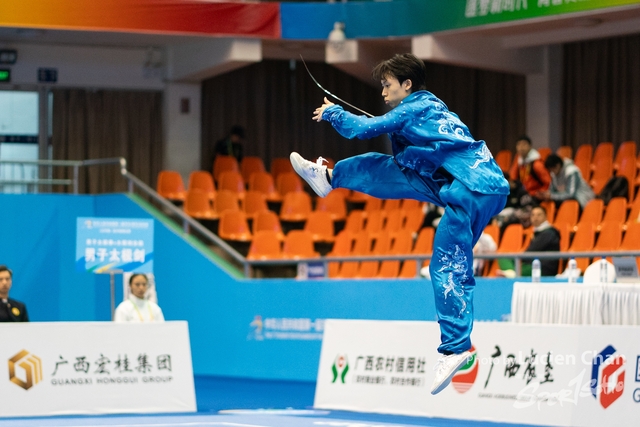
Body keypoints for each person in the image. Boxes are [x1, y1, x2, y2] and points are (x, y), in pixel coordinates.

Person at [289, 53, 509, 395]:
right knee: (386, 167)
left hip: (472, 187)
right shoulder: (423, 110)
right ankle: (329, 178)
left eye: (387, 85)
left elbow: (362, 129)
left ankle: (455, 348)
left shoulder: (417, 106)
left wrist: (332, 111)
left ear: (407, 85)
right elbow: (399, 157)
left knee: (446, 264)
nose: (383, 92)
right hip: (449, 182)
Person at [497, 206, 560, 278]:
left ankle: (512, 275)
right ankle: (512, 274)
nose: (535, 217)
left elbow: (530, 252)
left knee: (514, 261)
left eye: (539, 215)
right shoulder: (537, 232)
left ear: (546, 217)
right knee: (503, 257)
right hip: (531, 264)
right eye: (533, 215)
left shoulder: (549, 233)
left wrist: (520, 258)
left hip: (542, 268)